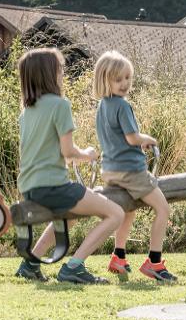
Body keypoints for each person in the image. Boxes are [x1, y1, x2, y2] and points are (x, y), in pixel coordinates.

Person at [14, 48, 125, 284]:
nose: (63, 73)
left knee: (72, 214)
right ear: (49, 73)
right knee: (115, 213)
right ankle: (74, 266)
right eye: (60, 69)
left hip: (30, 188)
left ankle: (31, 263)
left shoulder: (26, 112)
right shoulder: (60, 105)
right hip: (54, 187)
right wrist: (88, 154)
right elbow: (68, 152)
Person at [92, 51, 176, 283]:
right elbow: (131, 137)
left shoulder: (102, 106)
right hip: (131, 171)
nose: (124, 84)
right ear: (105, 80)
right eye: (118, 79)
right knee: (163, 209)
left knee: (128, 210)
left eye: (128, 78)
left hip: (110, 170)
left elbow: (116, 138)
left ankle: (119, 256)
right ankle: (155, 262)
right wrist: (147, 139)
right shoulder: (122, 105)